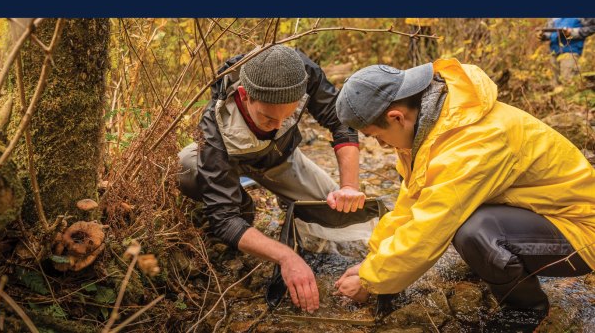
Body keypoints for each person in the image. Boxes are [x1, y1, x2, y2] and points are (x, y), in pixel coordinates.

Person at [333, 59, 595, 328]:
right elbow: (411, 206)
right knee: (466, 222)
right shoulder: (433, 129)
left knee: (474, 231)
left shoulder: (473, 143)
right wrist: (372, 262)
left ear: (397, 117)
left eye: (376, 136)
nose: (382, 145)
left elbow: (430, 228)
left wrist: (372, 282)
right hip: (541, 218)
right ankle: (500, 269)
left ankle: (526, 312)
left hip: (582, 235)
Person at [178, 44, 373, 313]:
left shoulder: (300, 74)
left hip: (283, 160)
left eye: (286, 116)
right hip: (230, 164)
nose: (278, 125)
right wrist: (286, 256)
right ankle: (244, 206)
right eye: (269, 118)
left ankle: (289, 201)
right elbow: (223, 219)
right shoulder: (215, 122)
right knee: (186, 166)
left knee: (347, 219)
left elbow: (341, 121)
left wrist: (349, 186)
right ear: (245, 96)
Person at [539, 18, 595, 85]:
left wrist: (573, 32)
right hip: (554, 51)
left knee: (567, 80)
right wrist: (543, 35)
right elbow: (549, 31)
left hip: (571, 50)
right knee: (554, 83)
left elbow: (592, 27)